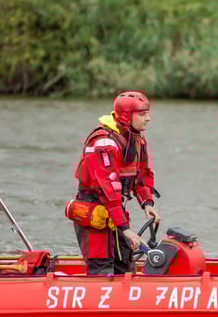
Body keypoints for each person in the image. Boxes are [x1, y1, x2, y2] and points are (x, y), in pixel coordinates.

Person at [68, 91, 161, 275]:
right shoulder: (104, 143)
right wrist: (125, 228)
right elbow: (109, 190)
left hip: (115, 213)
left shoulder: (137, 139)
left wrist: (147, 202)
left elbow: (142, 175)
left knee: (125, 266)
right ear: (127, 116)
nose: (148, 119)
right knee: (102, 268)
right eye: (142, 114)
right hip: (96, 213)